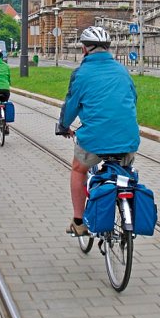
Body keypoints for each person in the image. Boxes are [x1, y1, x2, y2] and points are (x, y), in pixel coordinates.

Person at [57, 26, 140, 236]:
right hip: (128, 137)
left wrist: (64, 126)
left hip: (94, 139)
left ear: (84, 49)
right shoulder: (122, 70)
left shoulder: (81, 73)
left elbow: (71, 106)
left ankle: (78, 221)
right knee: (125, 172)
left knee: (78, 169)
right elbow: (133, 99)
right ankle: (125, 208)